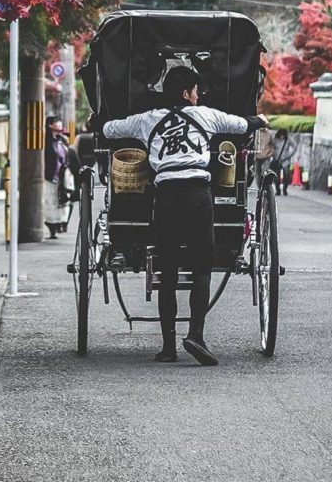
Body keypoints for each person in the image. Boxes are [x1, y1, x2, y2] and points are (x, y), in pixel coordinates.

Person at [101, 66, 268, 367]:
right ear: (185, 93)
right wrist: (260, 119)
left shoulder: (146, 120)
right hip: (197, 196)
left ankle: (167, 347)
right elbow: (242, 126)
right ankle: (196, 335)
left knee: (166, 271)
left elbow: (111, 130)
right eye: (194, 90)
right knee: (201, 267)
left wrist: (98, 121)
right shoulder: (206, 115)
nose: (197, 95)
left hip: (164, 197)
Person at [44, 115, 70, 239]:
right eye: (56, 122)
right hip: (50, 176)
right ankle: (52, 227)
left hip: (62, 176)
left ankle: (61, 224)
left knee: (64, 200)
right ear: (50, 125)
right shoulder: (46, 141)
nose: (59, 123)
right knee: (50, 202)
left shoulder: (62, 139)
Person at [271, 128, 292, 196]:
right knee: (276, 176)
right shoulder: (275, 140)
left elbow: (295, 147)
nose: (282, 136)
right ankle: (278, 190)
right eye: (281, 135)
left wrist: (289, 155)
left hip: (286, 161)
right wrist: (272, 154)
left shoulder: (288, 140)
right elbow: (271, 146)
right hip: (277, 160)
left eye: (283, 135)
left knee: (286, 176)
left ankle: (285, 189)